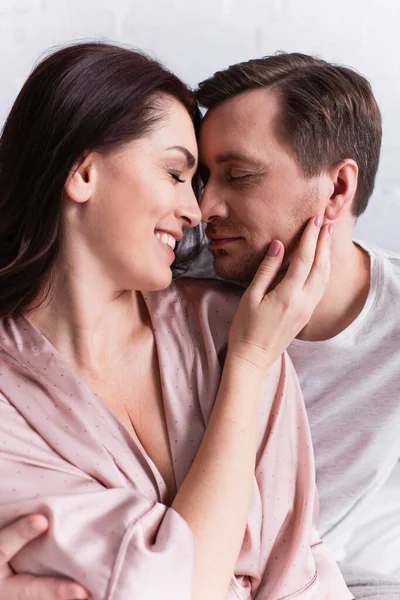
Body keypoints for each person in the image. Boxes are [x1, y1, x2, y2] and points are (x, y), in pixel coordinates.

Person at [0, 42, 349, 600]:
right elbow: (171, 591)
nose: (196, 209)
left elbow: (295, 566)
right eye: (175, 173)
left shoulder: (224, 326)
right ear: (83, 172)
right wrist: (248, 367)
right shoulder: (8, 401)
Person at [194, 52, 400, 594]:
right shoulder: (173, 288)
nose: (204, 206)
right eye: (201, 177)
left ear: (337, 189)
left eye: (238, 176)